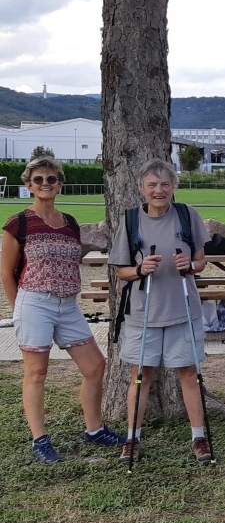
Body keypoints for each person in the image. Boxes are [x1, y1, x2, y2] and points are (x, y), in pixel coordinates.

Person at [1, 156, 125, 463]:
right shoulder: (19, 223)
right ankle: (40, 440)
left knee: (95, 366)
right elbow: (6, 273)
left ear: (61, 184)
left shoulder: (69, 222)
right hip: (34, 302)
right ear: (28, 185)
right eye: (39, 179)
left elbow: (72, 257)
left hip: (68, 305)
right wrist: (19, 309)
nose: (46, 184)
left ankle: (94, 430)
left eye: (52, 179)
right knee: (37, 372)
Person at [108, 160, 212, 464]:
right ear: (142, 188)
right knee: (140, 376)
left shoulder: (186, 215)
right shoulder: (130, 221)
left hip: (183, 309)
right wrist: (141, 269)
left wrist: (190, 266)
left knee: (189, 374)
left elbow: (201, 260)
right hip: (144, 313)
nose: (159, 190)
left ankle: (199, 437)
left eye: (165, 184)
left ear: (173, 187)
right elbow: (122, 272)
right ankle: (132, 439)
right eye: (152, 185)